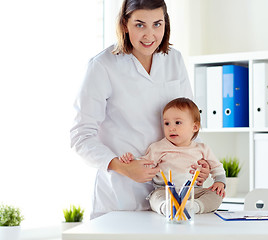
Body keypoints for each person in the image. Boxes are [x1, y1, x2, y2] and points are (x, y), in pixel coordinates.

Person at [70, 0, 210, 219]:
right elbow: (81, 136)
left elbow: (188, 123)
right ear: (125, 24)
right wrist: (124, 168)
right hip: (120, 197)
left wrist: (199, 163)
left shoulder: (174, 59)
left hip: (172, 195)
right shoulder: (103, 66)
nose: (149, 35)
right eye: (139, 24)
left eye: (157, 24)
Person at [120, 98, 226, 215]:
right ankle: (167, 208)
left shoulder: (202, 148)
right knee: (155, 198)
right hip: (165, 191)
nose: (171, 128)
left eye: (178, 122)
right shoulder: (158, 147)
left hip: (194, 192)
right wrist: (132, 160)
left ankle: (194, 207)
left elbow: (217, 166)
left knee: (216, 195)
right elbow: (145, 163)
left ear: (195, 127)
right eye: (167, 123)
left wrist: (219, 182)